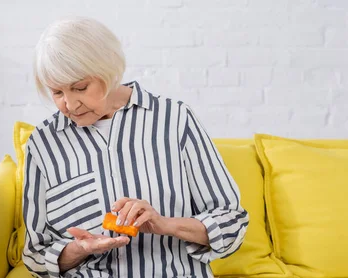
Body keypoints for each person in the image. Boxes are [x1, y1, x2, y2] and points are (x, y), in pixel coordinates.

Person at [22, 17, 249, 278]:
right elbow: (35, 256)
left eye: (80, 88)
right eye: (57, 93)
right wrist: (79, 249)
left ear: (108, 69)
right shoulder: (43, 144)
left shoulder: (175, 119)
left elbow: (232, 223)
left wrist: (166, 225)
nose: (70, 105)